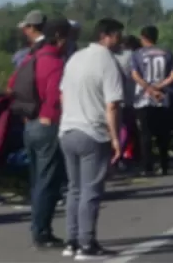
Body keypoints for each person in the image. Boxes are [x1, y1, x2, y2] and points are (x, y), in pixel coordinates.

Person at [58, 18, 125, 260]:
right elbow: (112, 105)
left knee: (74, 189)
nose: (120, 41)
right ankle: (87, 244)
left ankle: (71, 241)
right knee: (91, 191)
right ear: (107, 35)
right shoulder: (108, 62)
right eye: (118, 35)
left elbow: (63, 94)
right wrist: (115, 139)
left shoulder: (76, 58)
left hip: (68, 129)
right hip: (93, 132)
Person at [11, 18, 69, 250]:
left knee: (37, 179)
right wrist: (49, 117)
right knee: (48, 182)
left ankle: (39, 228)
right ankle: (41, 232)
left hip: (30, 123)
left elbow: (13, 84)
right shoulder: (54, 60)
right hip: (47, 124)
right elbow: (54, 95)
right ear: (60, 38)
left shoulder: (30, 57)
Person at [131, 26, 173, 177]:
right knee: (163, 134)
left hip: (144, 98)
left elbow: (135, 74)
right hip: (163, 97)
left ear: (143, 37)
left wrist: (149, 88)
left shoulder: (137, 54)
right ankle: (164, 165)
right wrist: (160, 86)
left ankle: (147, 166)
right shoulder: (167, 52)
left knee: (145, 134)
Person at [112, 35, 140, 170]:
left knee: (118, 127)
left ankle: (117, 154)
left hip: (113, 97)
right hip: (130, 96)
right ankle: (123, 154)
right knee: (128, 128)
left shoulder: (112, 56)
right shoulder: (132, 56)